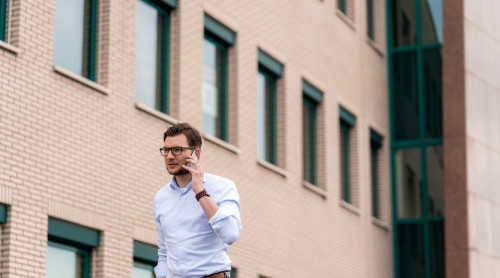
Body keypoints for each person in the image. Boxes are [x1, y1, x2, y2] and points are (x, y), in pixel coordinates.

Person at [154, 123, 242, 278]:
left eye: (177, 150)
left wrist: (200, 191)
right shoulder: (161, 197)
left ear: (196, 153)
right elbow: (164, 251)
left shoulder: (223, 187)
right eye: (166, 150)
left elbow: (231, 234)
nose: (169, 156)